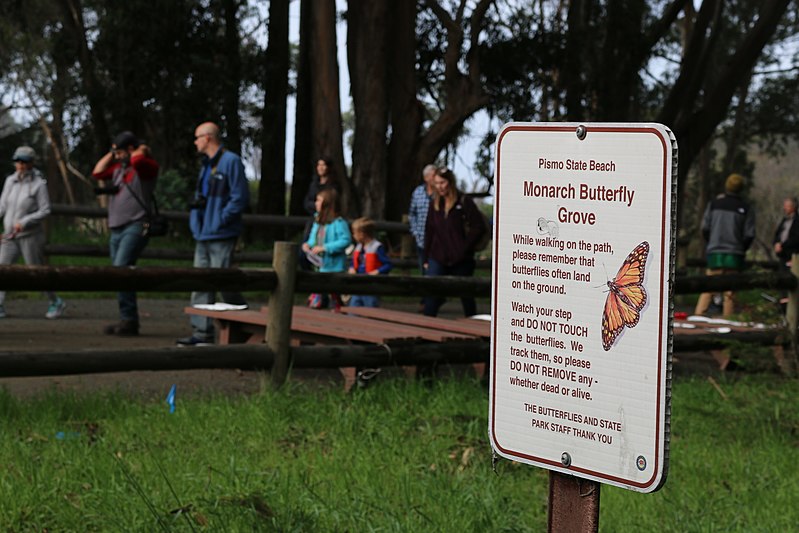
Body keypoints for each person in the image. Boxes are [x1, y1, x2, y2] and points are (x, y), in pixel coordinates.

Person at [177, 122, 250, 346]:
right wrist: (196, 223)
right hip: (203, 234)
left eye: (197, 138)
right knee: (200, 282)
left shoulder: (231, 162)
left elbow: (239, 197)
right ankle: (202, 334)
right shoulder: (206, 165)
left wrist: (221, 220)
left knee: (223, 281)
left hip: (221, 233)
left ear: (208, 138)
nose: (195, 142)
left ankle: (243, 325)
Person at [92, 131, 159, 335]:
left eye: (121, 152)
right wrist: (113, 154)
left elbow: (138, 160)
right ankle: (127, 319)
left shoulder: (146, 166)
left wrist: (139, 149)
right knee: (119, 273)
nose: (118, 156)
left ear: (130, 149)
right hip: (117, 227)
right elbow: (97, 172)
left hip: (136, 225)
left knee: (122, 269)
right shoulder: (119, 169)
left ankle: (129, 320)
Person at [0, 146, 66, 319]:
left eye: (24, 162)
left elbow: (45, 210)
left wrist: (25, 221)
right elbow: (2, 205)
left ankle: (55, 301)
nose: (20, 165)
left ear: (31, 163)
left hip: (30, 237)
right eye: (18, 161)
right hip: (9, 236)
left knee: (36, 272)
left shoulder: (38, 184)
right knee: (2, 269)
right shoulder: (10, 181)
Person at [423, 167, 486, 317]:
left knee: (466, 294)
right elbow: (429, 231)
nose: (440, 186)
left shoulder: (464, 202)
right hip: (438, 256)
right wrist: (426, 257)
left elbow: (478, 227)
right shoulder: (435, 204)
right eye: (437, 183)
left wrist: (464, 248)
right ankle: (426, 324)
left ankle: (473, 324)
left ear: (450, 182)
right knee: (432, 292)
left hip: (461, 258)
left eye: (443, 182)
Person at [694, 173, 755, 318]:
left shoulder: (714, 204)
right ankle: (728, 320)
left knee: (708, 287)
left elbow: (705, 228)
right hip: (735, 255)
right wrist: (741, 248)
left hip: (715, 253)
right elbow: (749, 235)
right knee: (730, 291)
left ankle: (698, 317)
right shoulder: (745, 208)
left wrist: (712, 243)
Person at [302, 188, 351, 310]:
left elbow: (345, 240)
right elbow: (313, 238)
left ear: (327, 203)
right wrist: (308, 245)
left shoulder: (339, 223)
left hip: (334, 267)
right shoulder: (318, 221)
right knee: (318, 298)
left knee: (334, 298)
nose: (316, 203)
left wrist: (326, 248)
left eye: (319, 200)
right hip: (319, 266)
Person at [348, 217, 393, 307]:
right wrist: (352, 268)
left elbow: (388, 264)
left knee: (370, 307)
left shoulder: (377, 247)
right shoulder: (359, 247)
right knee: (354, 307)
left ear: (362, 234)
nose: (353, 235)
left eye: (355, 233)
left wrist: (377, 271)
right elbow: (354, 262)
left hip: (371, 285)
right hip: (358, 284)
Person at [408, 164, 437, 275]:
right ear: (426, 178)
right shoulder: (417, 192)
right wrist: (415, 232)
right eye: (433, 175)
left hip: (437, 240)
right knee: (423, 268)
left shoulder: (441, 192)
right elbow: (412, 213)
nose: (436, 178)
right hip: (421, 239)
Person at [773, 197, 799, 269]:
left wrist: (783, 245)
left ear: (793, 207)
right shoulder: (785, 220)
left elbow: (796, 238)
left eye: (787, 206)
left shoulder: (797, 221)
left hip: (793, 255)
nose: (784, 208)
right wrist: (776, 243)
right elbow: (777, 234)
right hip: (782, 254)